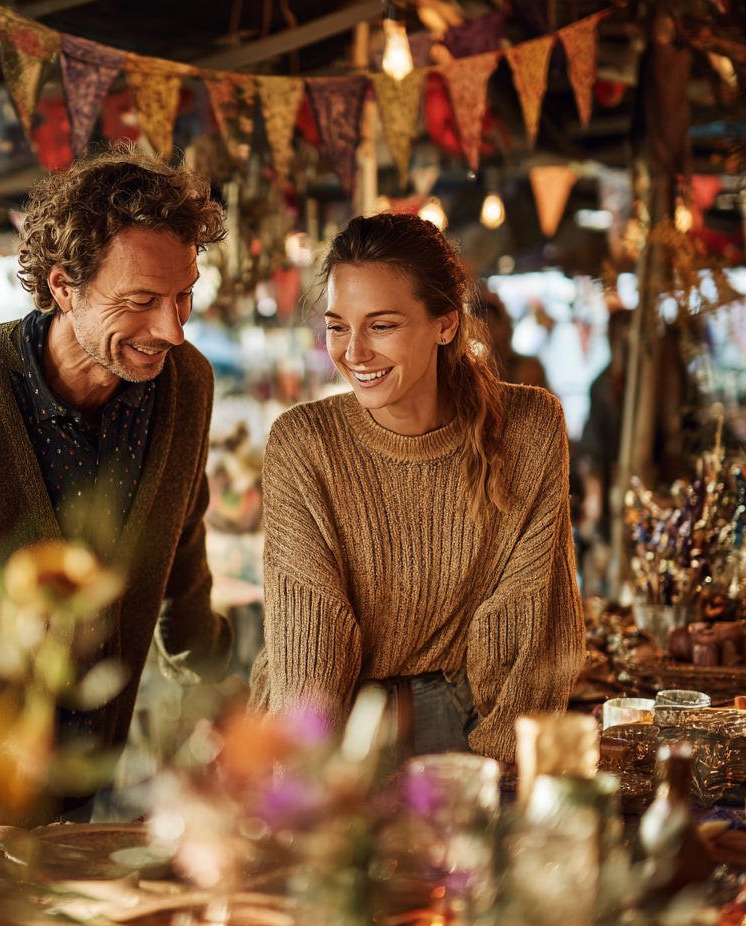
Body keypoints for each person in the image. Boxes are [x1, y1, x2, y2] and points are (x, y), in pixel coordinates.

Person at [0, 149, 233, 821]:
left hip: (89, 777)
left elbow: (182, 547)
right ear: (64, 287)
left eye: (184, 296)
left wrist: (214, 692)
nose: (172, 330)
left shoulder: (187, 384)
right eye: (141, 301)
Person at [249, 213, 584, 764]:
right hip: (333, 733)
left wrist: (504, 772)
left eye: (381, 326)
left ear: (445, 324)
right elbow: (307, 649)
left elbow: (532, 634)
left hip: (465, 728)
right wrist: (305, 784)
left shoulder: (530, 427)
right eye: (338, 326)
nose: (353, 352)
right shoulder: (305, 442)